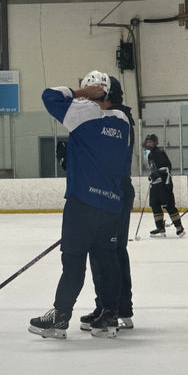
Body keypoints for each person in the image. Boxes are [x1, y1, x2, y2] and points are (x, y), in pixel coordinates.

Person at [29, 70, 131, 340]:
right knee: (107, 259)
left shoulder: (83, 113)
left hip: (82, 203)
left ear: (96, 93)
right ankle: (108, 315)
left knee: (73, 261)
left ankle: (60, 316)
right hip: (110, 205)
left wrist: (82, 94)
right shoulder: (123, 121)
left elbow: (48, 96)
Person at [84, 76, 137, 331]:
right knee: (101, 251)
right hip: (105, 192)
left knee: (111, 251)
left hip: (115, 192)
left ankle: (115, 309)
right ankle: (106, 304)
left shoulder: (119, 118)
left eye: (96, 96)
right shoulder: (110, 117)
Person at [143, 134, 185, 237]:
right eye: (147, 142)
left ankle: (179, 228)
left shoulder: (159, 153)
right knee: (155, 205)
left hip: (164, 183)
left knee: (169, 205)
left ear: (155, 143)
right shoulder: (150, 154)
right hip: (155, 184)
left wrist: (158, 174)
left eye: (151, 142)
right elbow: (154, 169)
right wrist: (152, 175)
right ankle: (160, 228)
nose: (149, 144)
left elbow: (167, 168)